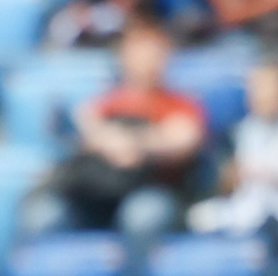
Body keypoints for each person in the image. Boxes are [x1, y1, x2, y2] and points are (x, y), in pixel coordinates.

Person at [43, 19, 207, 250]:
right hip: (98, 191)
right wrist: (113, 142)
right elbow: (84, 128)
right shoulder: (106, 102)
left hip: (153, 188)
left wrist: (135, 143)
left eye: (154, 54)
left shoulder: (180, 104)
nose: (147, 62)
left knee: (142, 215)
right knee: (45, 214)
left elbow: (185, 140)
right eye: (140, 53)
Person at [187, 60, 278, 252]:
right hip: (246, 205)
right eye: (257, 88)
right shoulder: (237, 133)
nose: (263, 95)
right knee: (201, 217)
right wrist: (236, 175)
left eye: (270, 88)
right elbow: (223, 185)